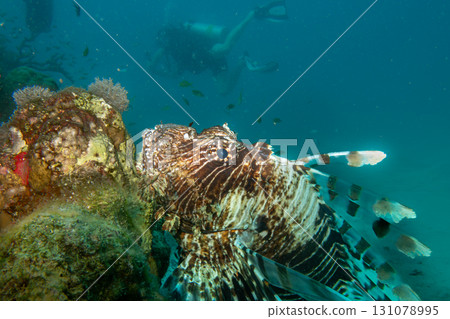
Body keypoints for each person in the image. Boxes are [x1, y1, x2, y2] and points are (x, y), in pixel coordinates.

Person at [148, 0, 287, 95]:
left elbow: (153, 63)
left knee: (226, 47)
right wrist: (158, 73)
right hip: (206, 62)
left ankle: (251, 15)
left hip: (203, 50)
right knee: (224, 90)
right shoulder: (172, 51)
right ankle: (242, 62)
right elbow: (173, 74)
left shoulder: (169, 44)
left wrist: (152, 68)